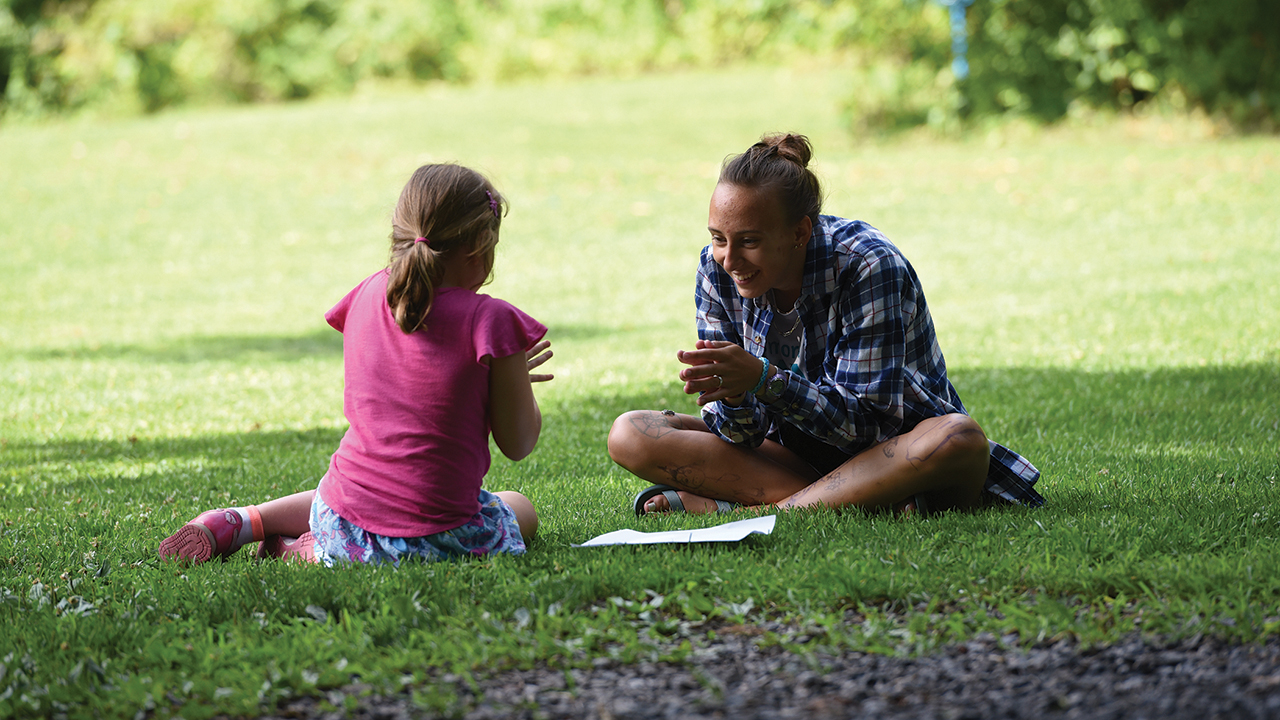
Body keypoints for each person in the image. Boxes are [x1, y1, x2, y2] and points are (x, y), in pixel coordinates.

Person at [608, 133, 1043, 516]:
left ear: (799, 233)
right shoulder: (716, 270)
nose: (730, 259)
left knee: (961, 437)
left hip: (896, 455)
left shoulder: (868, 265)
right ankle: (856, 506)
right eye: (718, 238)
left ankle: (770, 509)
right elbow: (740, 435)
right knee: (632, 433)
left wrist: (764, 380)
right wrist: (737, 395)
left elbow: (865, 427)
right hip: (792, 454)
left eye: (750, 241)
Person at [159, 164, 551, 565]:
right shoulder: (492, 321)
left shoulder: (366, 293)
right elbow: (518, 444)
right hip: (432, 540)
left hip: (339, 515)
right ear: (480, 244)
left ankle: (244, 521)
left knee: (363, 486)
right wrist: (515, 381)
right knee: (519, 507)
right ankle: (302, 553)